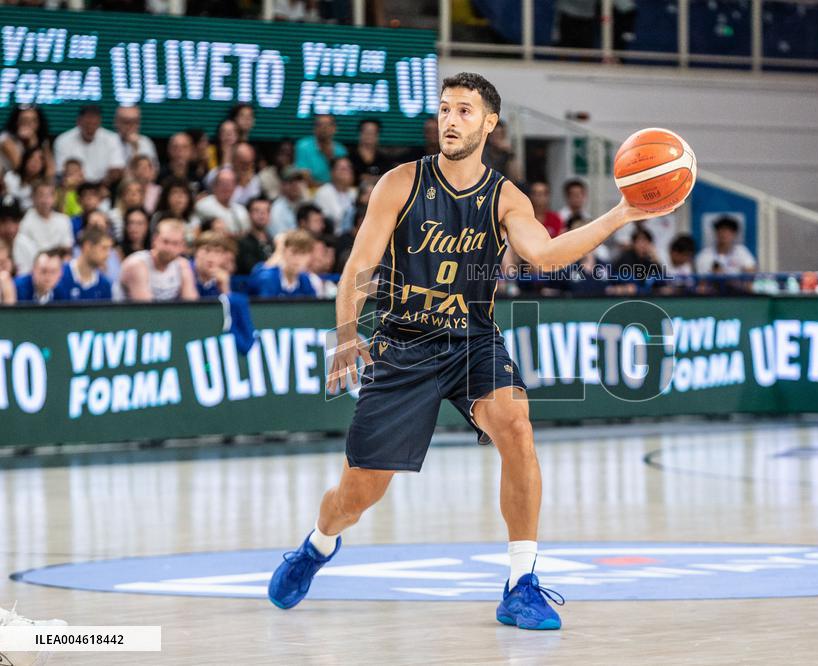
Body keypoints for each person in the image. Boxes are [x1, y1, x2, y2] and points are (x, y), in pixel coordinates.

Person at [266, 72, 668, 631]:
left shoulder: (506, 196)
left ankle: (520, 583)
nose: (450, 120)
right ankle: (317, 545)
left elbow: (545, 256)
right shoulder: (399, 183)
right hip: (404, 344)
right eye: (445, 109)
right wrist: (347, 334)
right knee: (357, 495)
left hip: (473, 339)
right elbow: (359, 268)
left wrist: (621, 213)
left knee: (516, 423)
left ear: (489, 124)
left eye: (463, 111)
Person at [116, 218, 198, 301]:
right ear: (155, 240)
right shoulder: (137, 265)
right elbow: (145, 309)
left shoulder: (182, 265)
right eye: (165, 242)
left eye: (175, 243)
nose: (169, 248)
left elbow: (191, 305)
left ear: (182, 246)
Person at [53, 105, 125, 184]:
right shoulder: (63, 140)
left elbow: (117, 168)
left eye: (94, 123)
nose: (90, 127)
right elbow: (62, 172)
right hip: (75, 186)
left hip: (104, 186)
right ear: (78, 122)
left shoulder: (112, 139)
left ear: (99, 122)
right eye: (87, 123)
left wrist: (101, 187)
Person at [12, 181, 73, 274]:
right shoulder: (26, 221)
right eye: (41, 195)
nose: (45, 200)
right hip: (34, 266)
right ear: (33, 198)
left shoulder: (64, 220)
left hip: (58, 264)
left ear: (54, 198)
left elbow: (67, 249)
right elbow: (24, 250)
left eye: (49, 195)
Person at [247, 229, 318, 298]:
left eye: (303, 253)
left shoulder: (306, 281)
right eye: (294, 252)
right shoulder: (268, 278)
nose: (298, 258)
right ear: (284, 251)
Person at [54, 226, 113, 301]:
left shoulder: (105, 285)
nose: (108, 254)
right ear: (87, 246)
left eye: (109, 249)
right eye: (104, 248)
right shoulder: (59, 275)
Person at [0, 104, 54, 177]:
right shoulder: (6, 139)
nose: (28, 124)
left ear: (39, 124)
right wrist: (32, 144)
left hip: (33, 184)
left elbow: (51, 172)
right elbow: (24, 171)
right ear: (16, 122)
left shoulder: (42, 140)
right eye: (24, 120)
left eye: (33, 121)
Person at [194, 167, 250, 236]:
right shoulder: (203, 205)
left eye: (230, 183)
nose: (227, 186)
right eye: (223, 183)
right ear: (214, 185)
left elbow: (246, 233)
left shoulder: (241, 210)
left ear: (235, 187)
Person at [295, 114, 348, 185]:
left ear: (335, 129)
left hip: (336, 191)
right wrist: (325, 190)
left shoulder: (341, 150)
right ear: (314, 129)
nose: (324, 128)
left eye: (327, 125)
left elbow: (344, 177)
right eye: (320, 125)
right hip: (310, 190)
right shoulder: (303, 146)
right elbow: (303, 175)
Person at [314, 157, 357, 234]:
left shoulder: (354, 193)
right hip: (331, 237)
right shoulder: (323, 192)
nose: (347, 171)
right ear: (332, 172)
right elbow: (325, 222)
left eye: (349, 168)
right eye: (342, 168)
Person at [191, 231, 236, 297]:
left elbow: (231, 306)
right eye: (207, 250)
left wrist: (225, 287)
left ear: (223, 257)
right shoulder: (185, 272)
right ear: (196, 252)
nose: (211, 257)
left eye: (217, 251)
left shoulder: (224, 279)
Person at [115, 105, 159, 170]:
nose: (131, 126)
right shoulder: (109, 141)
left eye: (135, 122)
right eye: (126, 122)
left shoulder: (146, 142)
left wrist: (135, 149)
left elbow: (152, 171)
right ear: (117, 122)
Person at [237, 197, 274, 274]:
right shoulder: (242, 243)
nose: (262, 214)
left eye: (266, 211)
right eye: (257, 210)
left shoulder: (273, 240)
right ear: (248, 215)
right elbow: (254, 270)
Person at [4, 144, 48, 210]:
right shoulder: (10, 177)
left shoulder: (42, 186)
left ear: (43, 165)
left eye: (39, 160)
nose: (35, 162)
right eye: (32, 158)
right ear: (25, 160)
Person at [270, 168, 310, 236]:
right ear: (282, 185)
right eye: (290, 181)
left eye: (298, 180)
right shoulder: (277, 210)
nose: (295, 185)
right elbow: (281, 238)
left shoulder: (307, 202)